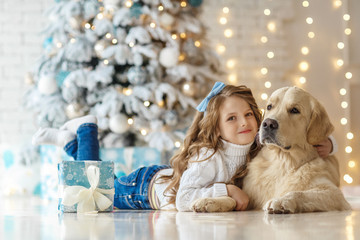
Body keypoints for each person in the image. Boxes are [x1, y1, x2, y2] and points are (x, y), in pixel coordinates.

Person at [32, 82, 335, 212]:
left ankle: (67, 144)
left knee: (91, 187)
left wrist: (324, 142)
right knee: (90, 193)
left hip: (165, 179)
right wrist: (226, 191)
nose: (246, 122)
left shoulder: (256, 146)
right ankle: (85, 132)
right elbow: (183, 198)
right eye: (231, 118)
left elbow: (297, 144)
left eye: (248, 115)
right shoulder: (209, 155)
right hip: (147, 190)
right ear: (216, 128)